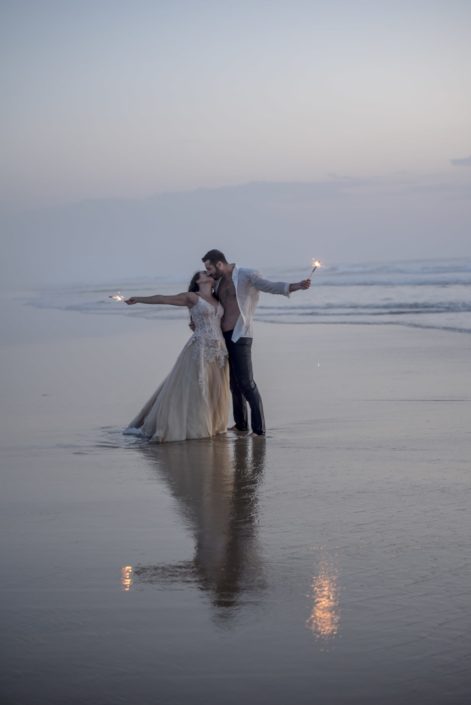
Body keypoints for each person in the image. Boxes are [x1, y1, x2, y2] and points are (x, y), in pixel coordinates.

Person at [201, 249, 311, 437]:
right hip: (223, 336)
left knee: (246, 382)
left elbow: (269, 286)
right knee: (233, 383)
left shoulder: (246, 274)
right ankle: (241, 424)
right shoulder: (218, 282)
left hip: (241, 335)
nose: (209, 272)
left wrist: (296, 286)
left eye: (210, 268)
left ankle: (259, 430)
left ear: (220, 264)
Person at [123, 271, 229, 442]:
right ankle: (193, 427)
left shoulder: (218, 299)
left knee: (214, 390)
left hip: (219, 350)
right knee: (195, 389)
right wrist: (139, 298)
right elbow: (164, 298)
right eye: (203, 273)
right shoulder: (192, 297)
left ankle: (212, 425)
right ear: (198, 280)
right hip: (200, 348)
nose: (208, 273)